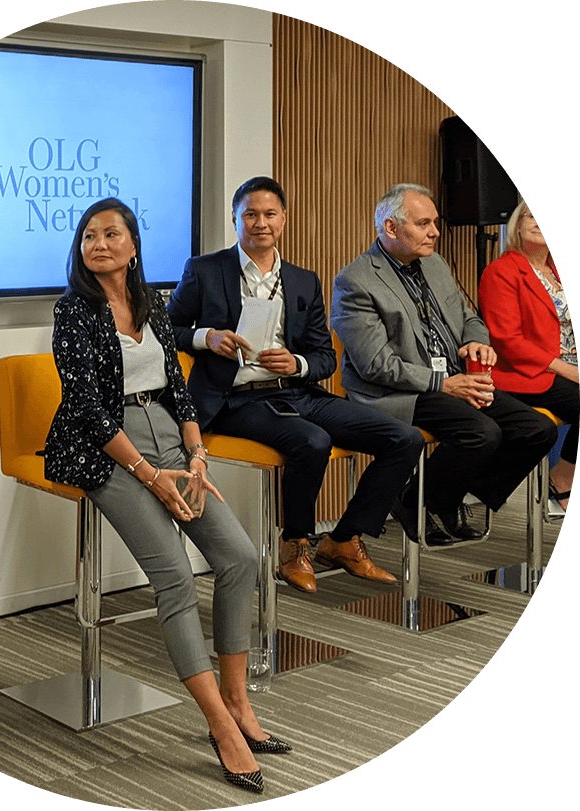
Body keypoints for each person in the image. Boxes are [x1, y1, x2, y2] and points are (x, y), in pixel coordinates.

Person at [44, 198, 288, 794]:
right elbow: (88, 407)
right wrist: (150, 475)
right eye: (88, 236)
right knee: (176, 579)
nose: (98, 243)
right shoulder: (73, 310)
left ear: (133, 244)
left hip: (172, 443)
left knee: (240, 559)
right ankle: (219, 727)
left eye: (111, 233)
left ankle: (237, 700)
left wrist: (197, 455)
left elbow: (177, 387)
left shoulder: (150, 301)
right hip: (106, 449)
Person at [167, 176, 423, 591]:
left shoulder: (304, 280)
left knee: (404, 438)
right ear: (235, 219)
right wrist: (206, 337)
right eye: (250, 214)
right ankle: (295, 544)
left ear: (284, 219)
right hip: (236, 400)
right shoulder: (205, 270)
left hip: (296, 390)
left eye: (270, 214)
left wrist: (297, 363)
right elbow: (165, 329)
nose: (260, 223)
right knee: (312, 442)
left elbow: (325, 357)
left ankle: (343, 539)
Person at [331, 183, 558, 543]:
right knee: (482, 433)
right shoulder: (355, 281)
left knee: (536, 430)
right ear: (391, 228)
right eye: (424, 224)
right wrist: (443, 384)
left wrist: (475, 342)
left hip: (453, 379)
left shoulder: (433, 263)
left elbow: (469, 317)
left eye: (435, 222)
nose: (435, 232)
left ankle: (436, 498)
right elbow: (377, 366)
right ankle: (425, 500)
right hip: (397, 391)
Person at [479, 200, 577, 512]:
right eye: (531, 215)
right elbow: (508, 340)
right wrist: (566, 368)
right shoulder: (501, 272)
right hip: (528, 372)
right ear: (517, 225)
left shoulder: (556, 272)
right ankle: (563, 476)